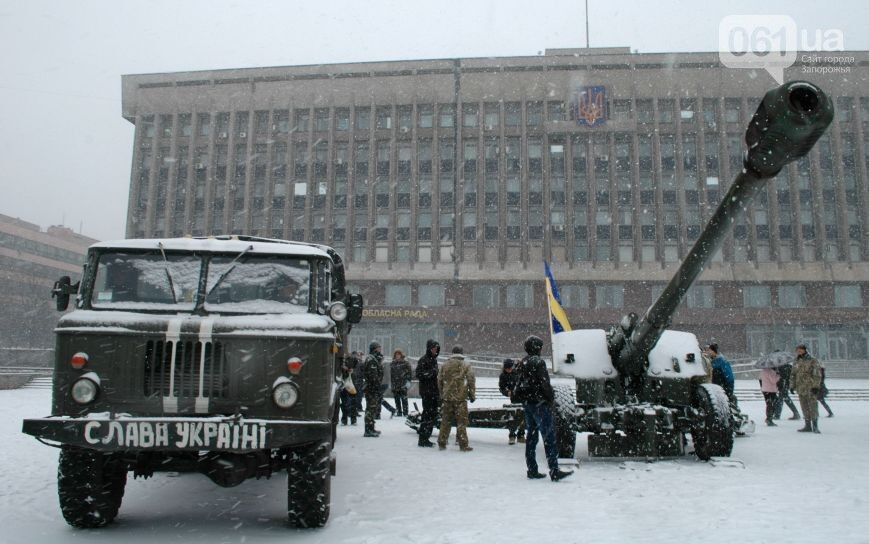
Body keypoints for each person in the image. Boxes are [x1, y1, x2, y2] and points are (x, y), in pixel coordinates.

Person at [516, 335, 573, 482]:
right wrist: (550, 399)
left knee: (531, 438)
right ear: (536, 348)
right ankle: (554, 470)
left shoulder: (522, 362)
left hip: (528, 404)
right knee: (549, 437)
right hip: (540, 405)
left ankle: (532, 469)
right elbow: (545, 384)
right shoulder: (539, 362)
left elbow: (519, 384)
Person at [436, 345, 476, 452]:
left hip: (447, 398)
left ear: (452, 353)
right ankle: (463, 444)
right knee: (461, 422)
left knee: (445, 421)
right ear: (461, 353)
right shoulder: (466, 365)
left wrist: (442, 394)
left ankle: (442, 442)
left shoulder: (445, 365)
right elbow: (471, 380)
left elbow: (439, 380)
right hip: (461, 398)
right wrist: (472, 394)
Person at [415, 339, 441, 447]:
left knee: (432, 416)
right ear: (429, 349)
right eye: (434, 348)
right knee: (427, 415)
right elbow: (418, 374)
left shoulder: (434, 360)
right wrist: (431, 373)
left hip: (434, 392)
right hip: (427, 393)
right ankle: (423, 439)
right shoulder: (423, 360)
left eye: (437, 349)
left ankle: (426, 437)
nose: (436, 351)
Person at [792, 343, 823, 434]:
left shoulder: (812, 360)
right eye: (797, 350)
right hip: (801, 388)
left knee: (813, 407)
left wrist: (815, 386)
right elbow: (793, 374)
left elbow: (817, 374)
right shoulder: (797, 361)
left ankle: (815, 426)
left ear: (805, 350)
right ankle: (807, 425)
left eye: (801, 349)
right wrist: (792, 386)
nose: (799, 351)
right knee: (804, 407)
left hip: (810, 387)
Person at [498, 358, 526, 445]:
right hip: (514, 398)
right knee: (513, 417)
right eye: (507, 368)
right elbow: (502, 388)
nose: (509, 370)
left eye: (510, 368)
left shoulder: (518, 372)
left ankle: (521, 435)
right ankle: (512, 435)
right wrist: (507, 392)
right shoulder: (503, 376)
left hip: (524, 397)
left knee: (523, 418)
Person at [362, 341, 385, 437]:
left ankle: (371, 427)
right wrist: (377, 387)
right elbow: (373, 376)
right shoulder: (371, 359)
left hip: (373, 388)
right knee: (370, 409)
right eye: (378, 348)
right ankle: (368, 430)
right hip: (371, 388)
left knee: (372, 408)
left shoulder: (374, 358)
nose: (380, 349)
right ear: (374, 349)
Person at [706, 343, 737, 408]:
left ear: (713, 351)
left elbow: (728, 376)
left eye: (709, 350)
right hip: (718, 386)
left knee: (726, 403)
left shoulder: (720, 361)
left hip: (724, 386)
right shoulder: (713, 360)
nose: (708, 352)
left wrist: (728, 387)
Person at [390, 349, 412, 417]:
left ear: (401, 355)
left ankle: (405, 412)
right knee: (397, 399)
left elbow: (409, 373)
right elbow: (391, 374)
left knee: (404, 399)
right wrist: (392, 383)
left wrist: (408, 381)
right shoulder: (393, 363)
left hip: (403, 383)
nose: (397, 356)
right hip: (395, 384)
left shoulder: (405, 363)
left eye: (399, 354)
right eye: (396, 355)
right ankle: (399, 411)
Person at [339, 354, 358, 426]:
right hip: (345, 385)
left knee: (351, 403)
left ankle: (350, 419)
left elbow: (356, 368)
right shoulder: (339, 360)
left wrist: (350, 370)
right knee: (345, 403)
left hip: (350, 384)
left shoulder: (351, 359)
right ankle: (346, 419)